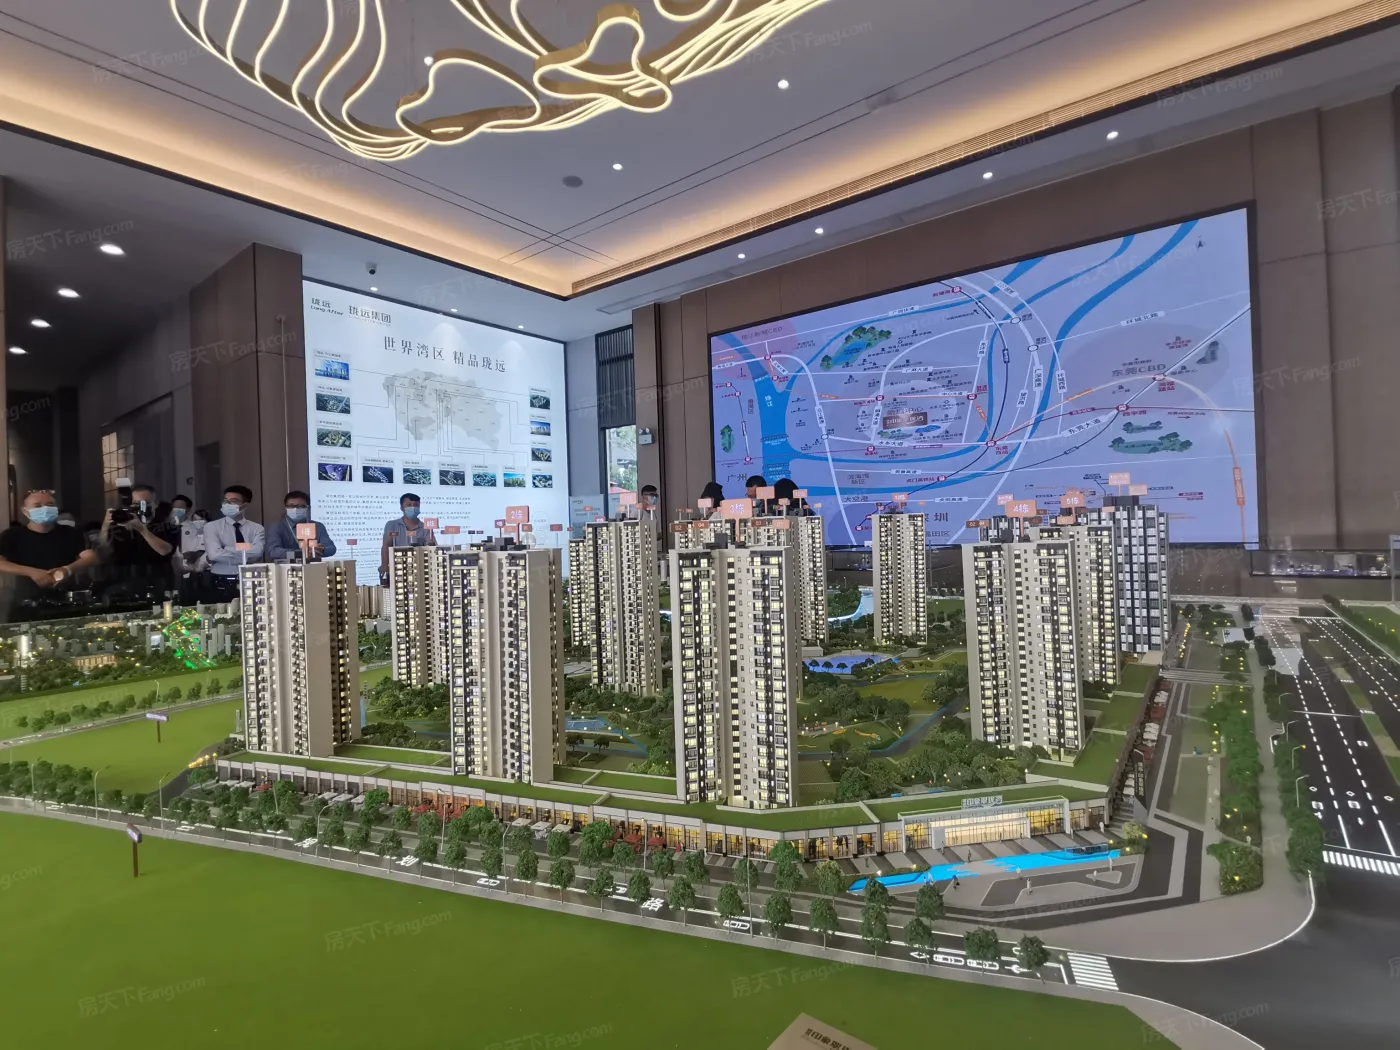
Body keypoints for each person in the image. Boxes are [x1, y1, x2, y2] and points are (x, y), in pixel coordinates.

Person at [0, 490, 99, 614]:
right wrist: (31, 572)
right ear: (25, 511)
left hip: (66, 601)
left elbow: (91, 557)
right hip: (23, 603)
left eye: (50, 505)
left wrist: (67, 570)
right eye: (37, 506)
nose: (45, 509)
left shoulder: (70, 533)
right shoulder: (11, 536)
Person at [100, 482, 177, 592]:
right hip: (125, 582)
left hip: (158, 582)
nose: (140, 507)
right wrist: (106, 525)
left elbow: (165, 550)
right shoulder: (123, 524)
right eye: (135, 504)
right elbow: (103, 550)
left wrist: (142, 529)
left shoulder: (166, 525)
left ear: (155, 504)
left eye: (144, 503)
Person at [202, 485, 265, 599]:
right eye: (226, 501)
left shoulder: (257, 528)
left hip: (250, 577)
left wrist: (227, 548)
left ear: (245, 505)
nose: (227, 504)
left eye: (233, 501)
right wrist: (246, 553)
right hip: (221, 578)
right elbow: (214, 554)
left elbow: (257, 553)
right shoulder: (211, 527)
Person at [379, 491, 435, 583]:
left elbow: (432, 548)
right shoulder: (392, 525)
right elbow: (386, 545)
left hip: (420, 570)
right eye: (409, 504)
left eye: (416, 505)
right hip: (397, 569)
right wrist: (385, 566)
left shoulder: (426, 528)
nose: (413, 507)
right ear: (401, 508)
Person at [266, 490, 337, 563]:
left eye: (301, 506)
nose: (295, 509)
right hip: (286, 567)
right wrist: (299, 553)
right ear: (285, 508)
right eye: (291, 506)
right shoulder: (276, 527)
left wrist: (321, 549)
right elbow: (273, 551)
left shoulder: (318, 526)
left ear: (308, 508)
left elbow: (332, 548)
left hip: (313, 566)